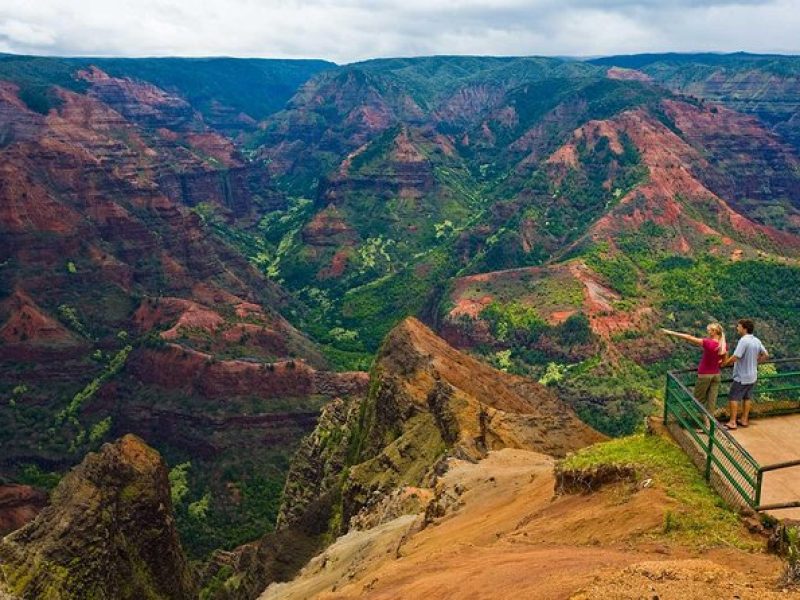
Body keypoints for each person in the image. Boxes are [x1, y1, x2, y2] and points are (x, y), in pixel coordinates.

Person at [661, 323, 727, 425]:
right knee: (712, 400)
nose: (708, 332)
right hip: (716, 375)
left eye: (709, 330)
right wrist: (716, 362)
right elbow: (723, 362)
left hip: (704, 374)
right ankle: (712, 422)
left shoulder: (708, 343)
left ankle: (707, 423)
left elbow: (688, 337)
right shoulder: (722, 345)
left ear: (714, 332)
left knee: (697, 400)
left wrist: (670, 332)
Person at [722, 318, 768, 430]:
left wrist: (725, 363)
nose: (737, 328)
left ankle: (732, 422)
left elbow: (736, 356)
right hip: (753, 375)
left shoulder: (743, 340)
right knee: (747, 398)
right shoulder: (756, 340)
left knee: (733, 397)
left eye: (738, 326)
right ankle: (744, 420)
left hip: (742, 376)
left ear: (744, 328)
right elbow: (766, 354)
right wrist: (755, 361)